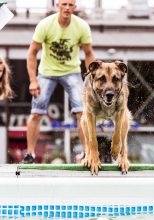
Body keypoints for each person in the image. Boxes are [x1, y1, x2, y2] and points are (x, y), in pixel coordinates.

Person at [22, 0, 95, 164]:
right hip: (47, 72)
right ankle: (30, 154)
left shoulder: (82, 26)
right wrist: (33, 81)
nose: (67, 8)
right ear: (58, 6)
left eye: (71, 4)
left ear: (75, 7)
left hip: (72, 72)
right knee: (36, 112)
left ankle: (86, 153)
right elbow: (32, 53)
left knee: (83, 112)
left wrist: (92, 79)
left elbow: (89, 53)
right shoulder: (45, 25)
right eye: (64, 4)